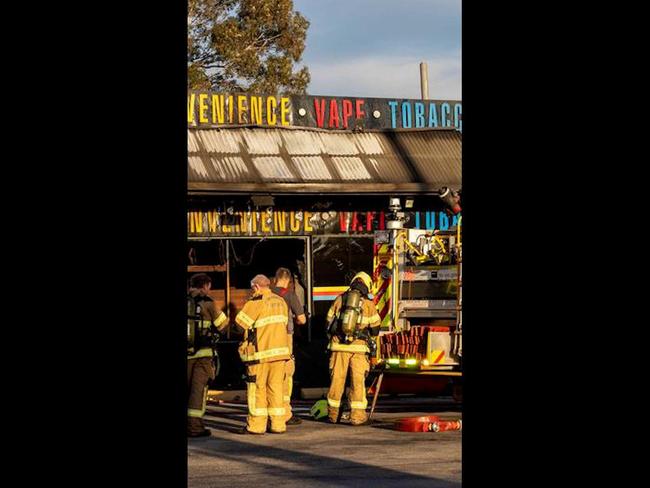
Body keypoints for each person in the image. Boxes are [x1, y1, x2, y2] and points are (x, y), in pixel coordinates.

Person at [234, 274, 291, 435]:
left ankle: (256, 426)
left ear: (257, 287)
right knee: (276, 389)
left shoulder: (256, 302)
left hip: (260, 355)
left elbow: (239, 325)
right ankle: (278, 425)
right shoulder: (281, 301)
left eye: (252, 288)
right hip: (280, 354)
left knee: (257, 389)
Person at [325, 271, 381, 425]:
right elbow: (376, 329)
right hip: (359, 349)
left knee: (336, 381)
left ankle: (333, 415)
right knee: (357, 383)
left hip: (338, 347)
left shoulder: (339, 299)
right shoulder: (369, 305)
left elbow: (328, 322)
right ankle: (357, 417)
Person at [187, 273, 228, 438]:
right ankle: (194, 427)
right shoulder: (208, 302)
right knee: (197, 391)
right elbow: (223, 325)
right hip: (202, 356)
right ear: (205, 285)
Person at [271, 267, 307, 425]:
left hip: (267, 338)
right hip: (285, 338)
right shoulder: (289, 295)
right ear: (288, 281)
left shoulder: (267, 294)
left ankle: (269, 411)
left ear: (275, 279)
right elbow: (302, 319)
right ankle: (285, 413)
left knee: (269, 375)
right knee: (285, 375)